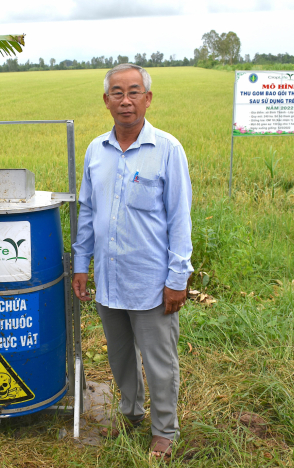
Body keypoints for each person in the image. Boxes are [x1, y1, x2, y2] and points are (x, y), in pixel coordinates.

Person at [72, 63, 193, 462]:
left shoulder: (168, 150)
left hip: (151, 282)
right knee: (119, 355)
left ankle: (164, 431)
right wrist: (81, 263)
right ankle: (130, 412)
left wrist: (178, 277)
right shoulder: (95, 150)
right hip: (109, 280)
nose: (126, 101)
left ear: (148, 98)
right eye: (118, 93)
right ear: (106, 100)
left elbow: (179, 219)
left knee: (159, 362)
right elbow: (87, 211)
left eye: (134, 92)